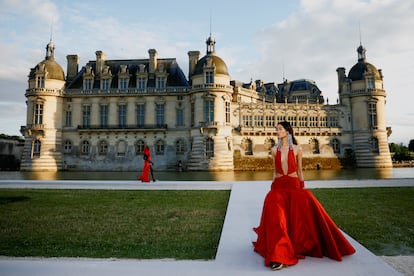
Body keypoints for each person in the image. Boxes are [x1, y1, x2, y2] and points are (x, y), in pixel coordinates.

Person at [253, 121, 355, 271]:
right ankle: (279, 254)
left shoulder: (297, 149)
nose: (277, 131)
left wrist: (302, 186)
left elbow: (300, 170)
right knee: (278, 221)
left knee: (298, 220)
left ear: (287, 131)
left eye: (279, 129)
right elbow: (275, 171)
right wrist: (273, 187)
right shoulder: (274, 149)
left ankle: (292, 248)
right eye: (276, 129)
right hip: (279, 186)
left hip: (294, 186)